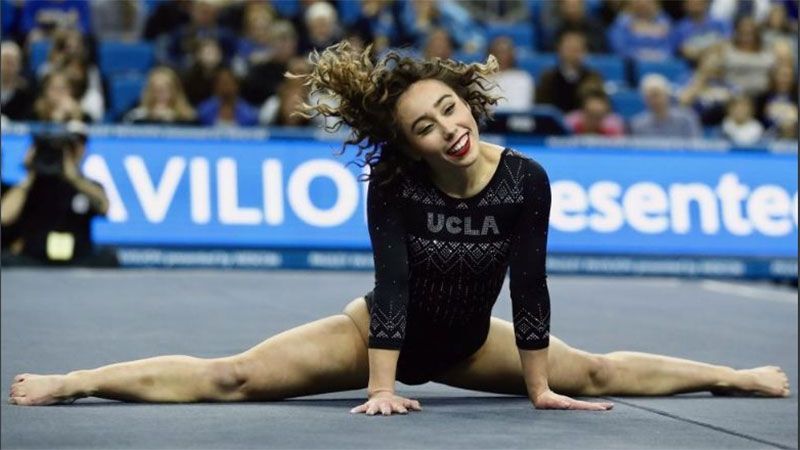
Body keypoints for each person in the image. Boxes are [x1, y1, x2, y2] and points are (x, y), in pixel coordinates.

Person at [9, 42, 790, 411]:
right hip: (374, 334)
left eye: (449, 109)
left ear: (466, 101)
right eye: (424, 127)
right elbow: (394, 284)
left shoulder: (526, 178)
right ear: (409, 144)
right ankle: (78, 382)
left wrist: (541, 387)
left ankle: (732, 374)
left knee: (595, 372)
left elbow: (530, 286)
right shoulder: (394, 181)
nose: (448, 130)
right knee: (233, 378)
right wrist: (381, 388)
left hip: (468, 341)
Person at [0, 121, 117, 267]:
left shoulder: (87, 185)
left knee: (108, 257)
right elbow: (4, 217)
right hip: (35, 260)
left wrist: (73, 177)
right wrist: (31, 173)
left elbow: (105, 207)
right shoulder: (28, 186)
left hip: (78, 260)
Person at [631, 73, 702, 138]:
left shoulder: (686, 119)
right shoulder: (638, 125)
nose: (654, 100)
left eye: (657, 95)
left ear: (667, 95)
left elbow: (695, 145)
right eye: (649, 97)